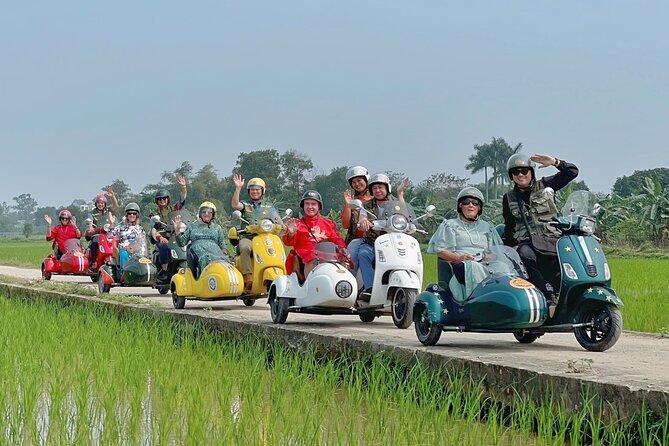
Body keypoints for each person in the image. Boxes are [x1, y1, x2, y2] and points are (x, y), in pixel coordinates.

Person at [502, 153, 579, 314]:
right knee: (525, 253)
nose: (521, 175)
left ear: (531, 172)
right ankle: (546, 298)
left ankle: (573, 299)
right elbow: (509, 226)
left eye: (524, 171)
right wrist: (510, 247)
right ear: (512, 176)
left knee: (570, 260)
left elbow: (572, 172)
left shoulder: (545, 185)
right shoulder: (508, 198)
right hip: (528, 242)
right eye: (516, 172)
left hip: (552, 239)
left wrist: (556, 162)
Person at [427, 187, 503, 300]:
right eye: (466, 202)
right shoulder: (450, 225)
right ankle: (478, 301)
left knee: (503, 266)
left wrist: (490, 256)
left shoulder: (487, 227)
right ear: (460, 206)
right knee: (473, 266)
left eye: (475, 203)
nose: (470, 205)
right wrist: (460, 257)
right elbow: (441, 251)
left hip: (485, 263)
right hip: (461, 264)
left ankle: (503, 301)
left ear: (479, 207)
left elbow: (497, 250)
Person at [354, 174, 409, 299]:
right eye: (375, 188)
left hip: (391, 243)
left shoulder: (394, 203)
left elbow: (404, 215)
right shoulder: (366, 206)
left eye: (380, 187)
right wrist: (364, 222)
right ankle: (369, 288)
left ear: (387, 188)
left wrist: (400, 193)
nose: (378, 191)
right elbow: (362, 216)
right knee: (363, 254)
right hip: (371, 242)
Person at [283, 190, 348, 281]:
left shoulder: (328, 223)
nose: (310, 207)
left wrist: (342, 247)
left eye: (313, 204)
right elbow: (288, 242)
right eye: (307, 204)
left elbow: (336, 238)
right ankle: (311, 285)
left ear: (319, 207)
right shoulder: (297, 224)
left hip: (326, 255)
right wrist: (291, 234)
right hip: (307, 256)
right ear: (303, 206)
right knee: (312, 258)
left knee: (343, 259)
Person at [231, 174, 281, 291]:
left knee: (276, 247)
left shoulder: (269, 206)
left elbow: (277, 219)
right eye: (252, 190)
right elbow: (235, 205)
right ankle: (248, 276)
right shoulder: (246, 205)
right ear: (249, 191)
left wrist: (283, 225)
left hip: (264, 237)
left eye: (257, 189)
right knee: (245, 248)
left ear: (262, 191)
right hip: (248, 237)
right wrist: (238, 188)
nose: (255, 192)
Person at [172, 201, 230, 276]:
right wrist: (177, 232)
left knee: (225, 260)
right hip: (198, 251)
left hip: (215, 250)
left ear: (213, 215)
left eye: (209, 212)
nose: (206, 214)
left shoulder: (217, 228)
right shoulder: (192, 227)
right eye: (204, 212)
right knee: (206, 258)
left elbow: (222, 244)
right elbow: (181, 243)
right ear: (200, 214)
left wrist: (224, 251)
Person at [151, 175, 188, 283]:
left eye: (164, 198)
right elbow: (153, 229)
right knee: (163, 247)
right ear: (157, 201)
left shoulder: (174, 209)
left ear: (168, 199)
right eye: (160, 199)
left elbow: (182, 200)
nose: (162, 200)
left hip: (175, 236)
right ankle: (165, 271)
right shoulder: (155, 213)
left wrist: (183, 187)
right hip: (163, 237)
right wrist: (158, 237)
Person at [340, 166, 372, 276]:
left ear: (366, 180)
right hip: (357, 240)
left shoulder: (379, 198)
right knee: (350, 263)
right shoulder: (354, 201)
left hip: (379, 239)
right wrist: (348, 205)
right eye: (353, 182)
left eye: (359, 180)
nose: (357, 184)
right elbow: (345, 224)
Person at [84, 187, 119, 270]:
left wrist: (112, 196)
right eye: (99, 203)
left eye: (102, 203)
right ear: (96, 204)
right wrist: (91, 227)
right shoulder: (92, 213)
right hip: (97, 234)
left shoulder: (108, 210)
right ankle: (94, 262)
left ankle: (119, 261)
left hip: (109, 234)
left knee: (118, 243)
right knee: (94, 243)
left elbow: (115, 206)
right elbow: (90, 224)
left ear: (105, 204)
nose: (101, 204)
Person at [109, 202, 147, 267]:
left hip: (137, 251)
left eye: (134, 213)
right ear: (126, 215)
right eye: (129, 213)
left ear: (137, 215)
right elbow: (110, 235)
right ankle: (124, 273)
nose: (132, 215)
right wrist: (112, 224)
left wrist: (143, 254)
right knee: (124, 254)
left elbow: (143, 243)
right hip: (124, 250)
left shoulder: (140, 229)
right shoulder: (121, 227)